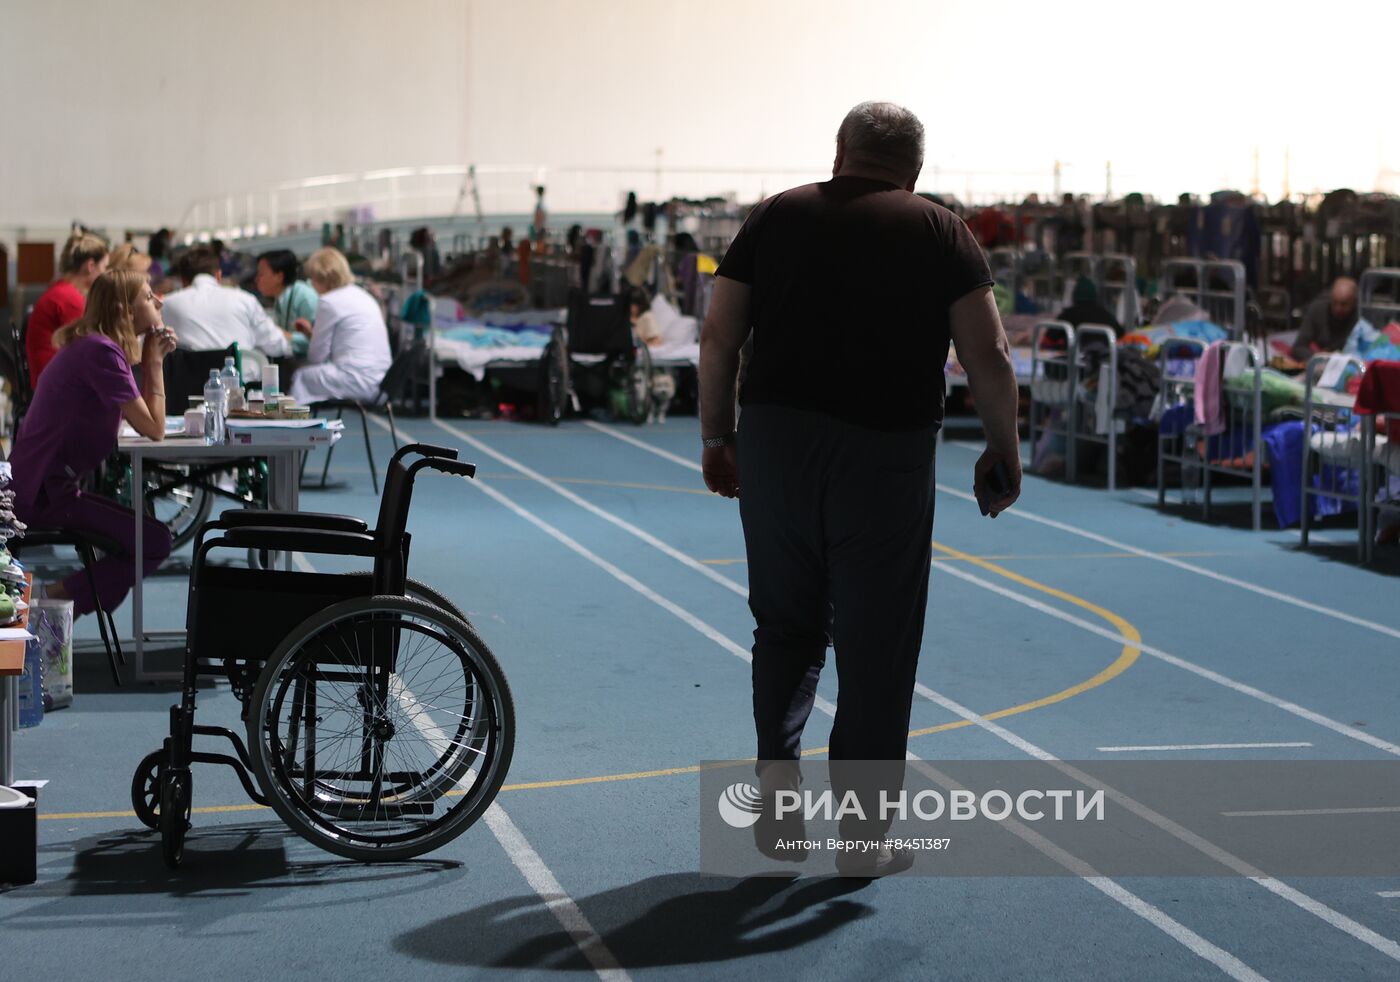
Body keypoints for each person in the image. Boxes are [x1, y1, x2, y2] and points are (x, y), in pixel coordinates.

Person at [698, 101, 1021, 878]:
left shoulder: (776, 216)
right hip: (887, 454)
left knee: (785, 626)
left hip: (777, 442)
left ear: (840, 152)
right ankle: (864, 841)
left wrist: (716, 435)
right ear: (914, 167)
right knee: (878, 648)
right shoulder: (940, 231)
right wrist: (1003, 449)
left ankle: (778, 792)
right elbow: (990, 354)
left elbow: (719, 333)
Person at [9, 270, 175, 616]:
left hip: (44, 487)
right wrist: (154, 362)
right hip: (41, 495)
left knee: (146, 539)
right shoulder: (102, 352)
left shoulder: (98, 347)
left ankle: (60, 600)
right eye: (147, 296)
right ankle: (51, 601)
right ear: (124, 310)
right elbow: (155, 428)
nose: (158, 301)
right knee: (154, 541)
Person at [289, 248, 392, 404]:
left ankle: (295, 425)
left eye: (313, 280)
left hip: (357, 381)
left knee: (301, 376)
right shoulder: (362, 295)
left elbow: (317, 357)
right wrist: (311, 334)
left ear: (322, 279)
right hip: (383, 381)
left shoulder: (329, 302)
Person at [161, 245, 292, 356]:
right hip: (242, 383)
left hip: (186, 384)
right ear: (218, 275)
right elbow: (278, 345)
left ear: (183, 280)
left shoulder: (166, 304)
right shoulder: (245, 299)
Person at [26, 232, 109, 386]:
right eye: (104, 266)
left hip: (49, 380)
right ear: (91, 266)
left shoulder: (61, 290)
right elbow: (90, 345)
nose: (105, 273)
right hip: (55, 385)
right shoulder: (69, 298)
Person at [254, 249, 316, 355]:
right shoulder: (281, 299)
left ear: (279, 277)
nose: (256, 280)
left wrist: (283, 334)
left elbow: (315, 340)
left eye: (261, 274)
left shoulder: (305, 297)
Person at [1291, 276, 1360, 361]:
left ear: (1354, 302)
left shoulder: (1361, 318)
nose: (1338, 309)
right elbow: (1299, 347)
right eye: (1334, 303)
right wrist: (1319, 357)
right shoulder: (1317, 310)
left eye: (1344, 304)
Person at [1056, 275, 1123, 335]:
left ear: (1074, 295)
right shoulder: (1105, 315)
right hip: (1101, 348)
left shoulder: (1067, 316)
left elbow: (1051, 337)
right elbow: (1120, 333)